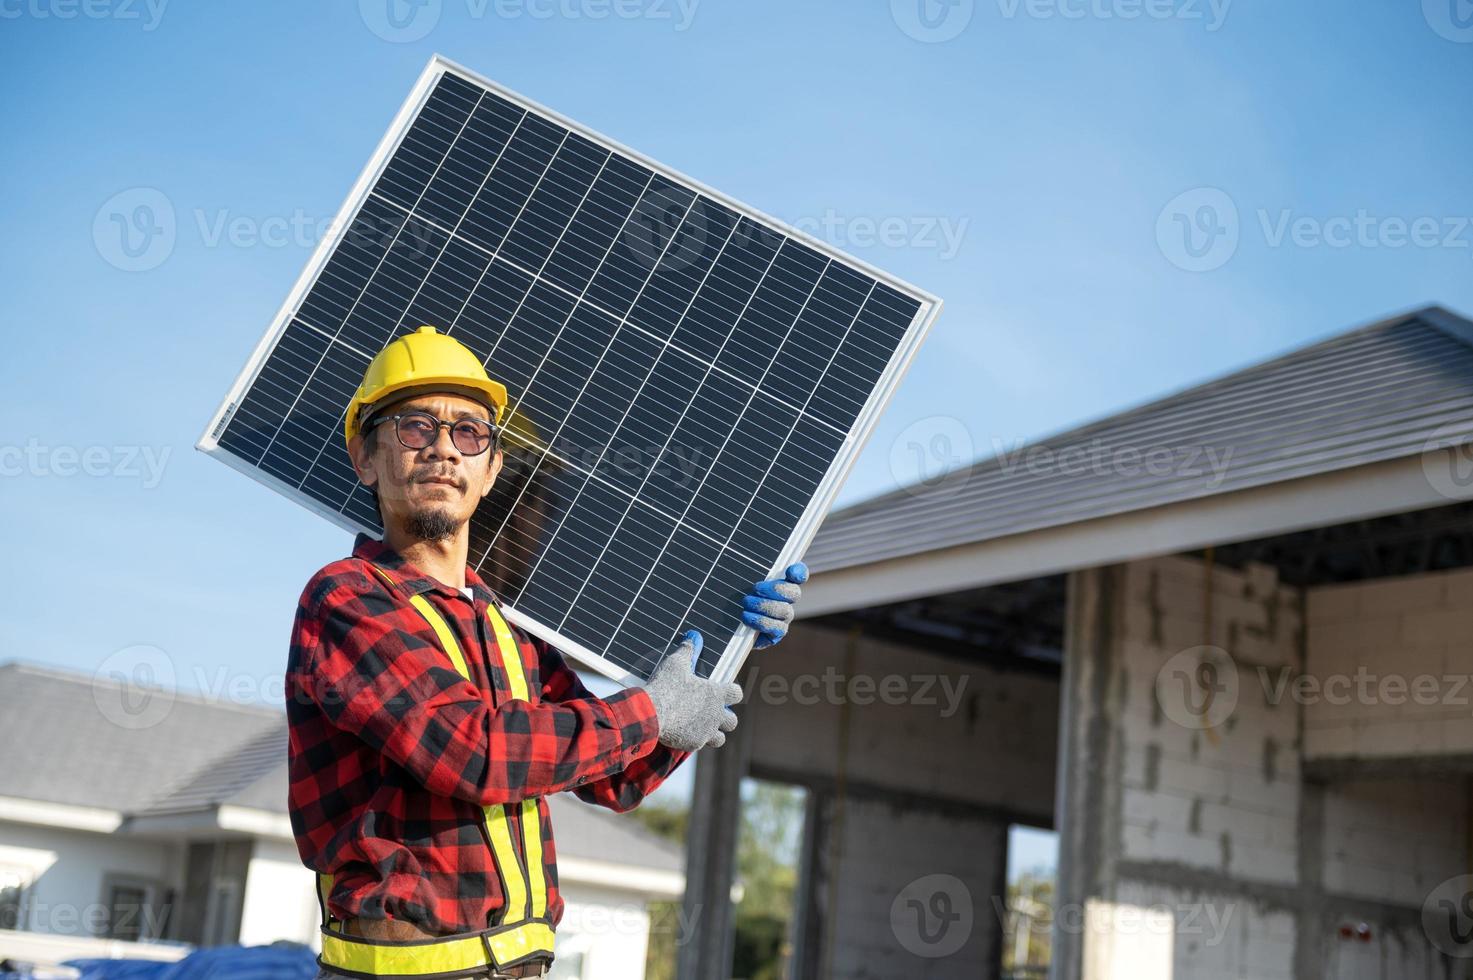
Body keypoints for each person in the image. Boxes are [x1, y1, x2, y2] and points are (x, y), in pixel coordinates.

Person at [285, 326, 808, 979]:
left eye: (469, 433)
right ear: (365, 458)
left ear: (491, 469)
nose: (444, 448)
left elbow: (612, 777)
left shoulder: (504, 628)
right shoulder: (348, 599)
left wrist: (726, 649)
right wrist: (652, 710)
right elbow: (475, 752)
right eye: (415, 427)